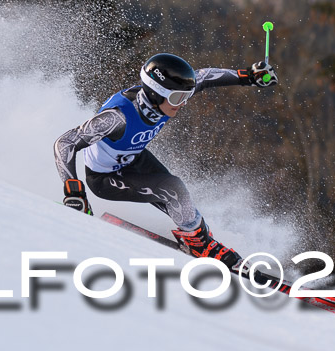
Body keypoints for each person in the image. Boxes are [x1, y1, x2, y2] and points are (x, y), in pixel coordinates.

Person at [54, 53, 278, 272]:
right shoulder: (117, 118)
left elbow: (205, 76)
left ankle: (198, 237)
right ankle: (199, 244)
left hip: (134, 158)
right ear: (154, 94)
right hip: (105, 178)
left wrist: (248, 76)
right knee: (173, 189)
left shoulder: (166, 98)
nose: (181, 104)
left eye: (185, 97)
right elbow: (65, 143)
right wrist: (73, 189)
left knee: (179, 198)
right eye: (176, 98)